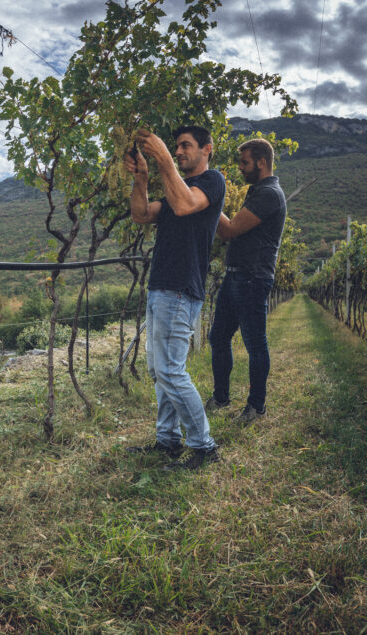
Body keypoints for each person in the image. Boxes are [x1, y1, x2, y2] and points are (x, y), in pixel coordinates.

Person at [124, 126, 225, 471]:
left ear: (206, 149)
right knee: (160, 371)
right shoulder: (173, 191)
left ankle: (204, 447)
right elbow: (140, 215)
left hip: (181, 288)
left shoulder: (212, 182)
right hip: (161, 287)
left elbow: (184, 206)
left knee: (170, 370)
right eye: (177, 147)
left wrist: (164, 156)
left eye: (186, 146)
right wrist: (141, 178)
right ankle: (168, 439)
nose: (180, 152)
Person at [206, 138, 286, 423]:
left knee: (254, 343)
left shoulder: (269, 194)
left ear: (261, 162)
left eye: (245, 162)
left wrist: (209, 198)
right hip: (236, 275)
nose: (240, 168)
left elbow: (228, 231)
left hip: (252, 278)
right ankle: (221, 398)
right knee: (218, 337)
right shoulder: (258, 191)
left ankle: (256, 408)